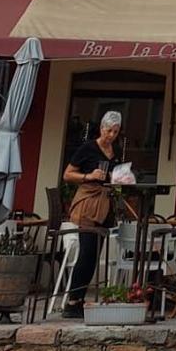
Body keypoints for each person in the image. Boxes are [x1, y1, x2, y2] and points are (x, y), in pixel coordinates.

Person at [60, 110, 124, 318]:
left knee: (94, 254)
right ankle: (72, 301)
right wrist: (89, 175)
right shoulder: (88, 148)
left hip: (105, 204)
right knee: (86, 252)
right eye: (108, 131)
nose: (111, 135)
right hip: (89, 202)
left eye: (115, 131)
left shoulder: (116, 149)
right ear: (101, 129)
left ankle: (80, 299)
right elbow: (68, 174)